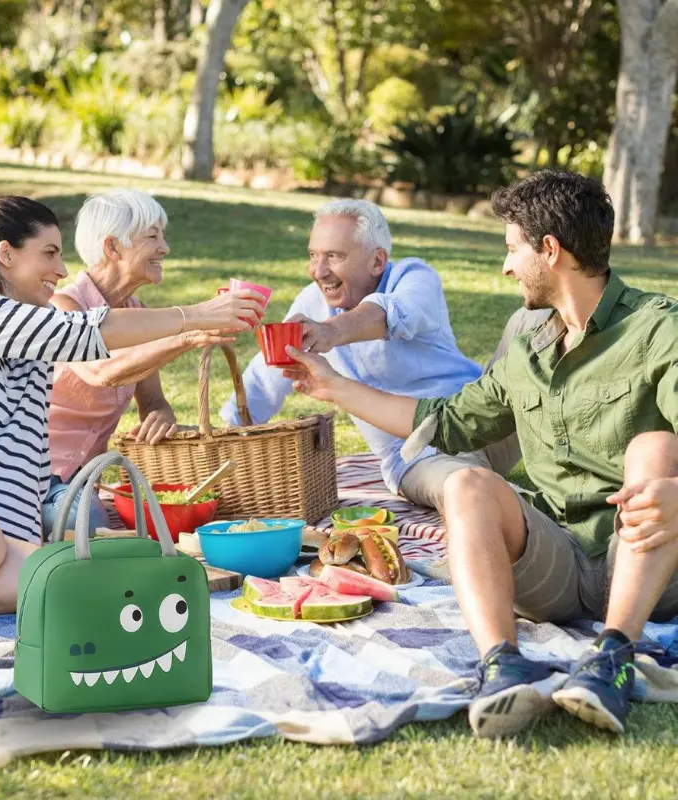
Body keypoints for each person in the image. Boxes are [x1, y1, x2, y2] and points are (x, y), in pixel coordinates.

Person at [282, 171, 678, 738]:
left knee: (655, 447)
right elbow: (442, 422)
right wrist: (330, 386)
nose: (506, 265)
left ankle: (611, 658)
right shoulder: (530, 343)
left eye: (513, 248)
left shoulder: (658, 328)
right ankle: (503, 666)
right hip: (559, 560)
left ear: (550, 250)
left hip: (643, 560)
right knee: (464, 485)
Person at [0, 196, 264, 618]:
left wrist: (61, 509)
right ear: (6, 254)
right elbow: (82, 333)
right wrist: (197, 315)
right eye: (49, 253)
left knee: (72, 583)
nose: (61, 270)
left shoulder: (34, 354)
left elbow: (28, 461)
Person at [220, 199, 484, 501]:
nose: (318, 271)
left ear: (377, 261)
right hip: (418, 455)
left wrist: (331, 331)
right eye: (313, 255)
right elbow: (267, 373)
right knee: (467, 490)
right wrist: (227, 434)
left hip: (481, 416)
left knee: (529, 321)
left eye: (333, 256)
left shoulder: (413, 278)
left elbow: (389, 313)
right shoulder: (312, 302)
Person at [42, 190, 233, 538]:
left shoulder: (135, 310)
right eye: (152, 236)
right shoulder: (62, 307)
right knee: (91, 532)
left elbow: (152, 400)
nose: (165, 248)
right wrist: (188, 333)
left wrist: (161, 414)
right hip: (39, 479)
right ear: (112, 248)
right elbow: (101, 371)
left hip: (87, 481)